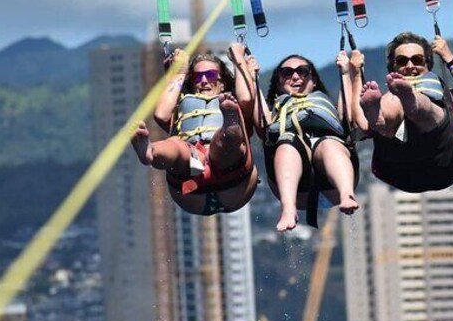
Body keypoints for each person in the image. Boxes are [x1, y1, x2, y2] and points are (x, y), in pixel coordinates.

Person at [348, 31, 453, 193]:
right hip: (401, 169)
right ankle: (381, 121)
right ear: (393, 67)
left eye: (417, 60)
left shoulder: (449, 97)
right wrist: (356, 73)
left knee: (418, 104)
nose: (410, 66)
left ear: (427, 65)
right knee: (392, 101)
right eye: (401, 61)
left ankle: (413, 105)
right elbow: (363, 124)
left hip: (447, 162)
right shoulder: (391, 97)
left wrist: (448, 56)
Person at [131, 44, 259, 215]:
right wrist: (179, 73)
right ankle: (151, 152)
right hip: (191, 187)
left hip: (233, 181)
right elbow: (161, 115)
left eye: (211, 75)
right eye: (198, 77)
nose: (204, 81)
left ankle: (229, 124)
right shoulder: (182, 104)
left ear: (223, 83)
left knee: (225, 141)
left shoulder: (237, 102)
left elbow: (246, 98)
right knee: (176, 145)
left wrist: (238, 59)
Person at [254, 52, 359, 231]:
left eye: (303, 71)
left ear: (314, 80)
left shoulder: (328, 106)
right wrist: (251, 77)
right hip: (298, 188)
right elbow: (262, 124)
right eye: (287, 73)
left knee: (328, 143)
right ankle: (288, 209)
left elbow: (347, 118)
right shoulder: (275, 111)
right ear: (279, 82)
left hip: (331, 181)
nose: (295, 76)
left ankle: (347, 194)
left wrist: (346, 73)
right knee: (287, 142)